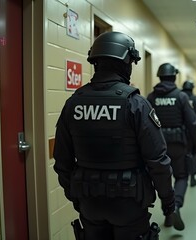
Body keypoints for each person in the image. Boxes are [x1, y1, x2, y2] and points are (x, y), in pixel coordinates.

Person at [53, 31, 175, 240]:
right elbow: (158, 161)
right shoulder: (135, 104)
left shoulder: (74, 103)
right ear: (125, 62)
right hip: (129, 205)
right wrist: (168, 199)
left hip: (89, 202)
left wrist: (75, 196)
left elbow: (62, 161)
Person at [147, 63, 196, 231]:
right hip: (178, 145)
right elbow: (192, 123)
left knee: (164, 178)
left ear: (160, 76)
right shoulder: (181, 96)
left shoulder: (151, 97)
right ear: (174, 77)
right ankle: (176, 205)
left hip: (157, 146)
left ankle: (168, 214)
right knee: (182, 176)